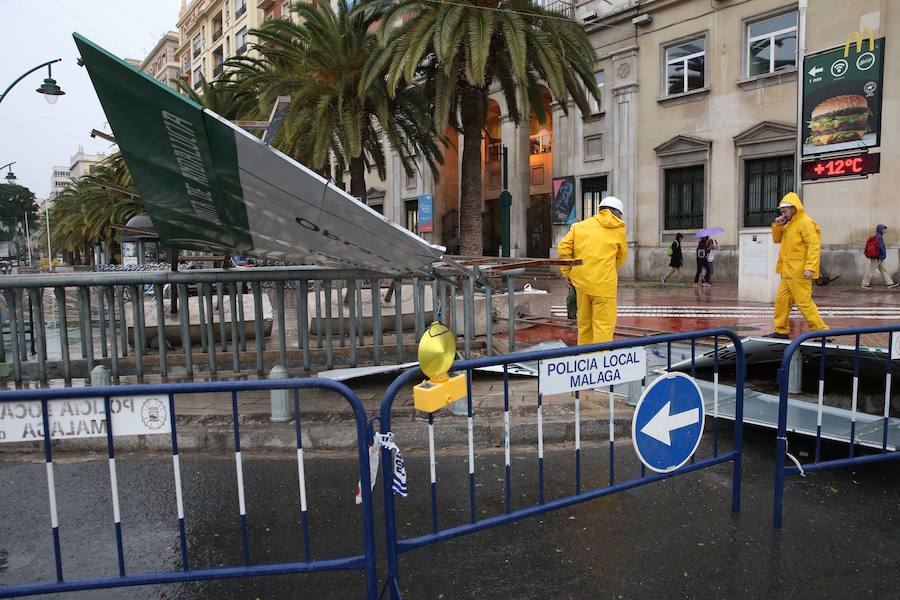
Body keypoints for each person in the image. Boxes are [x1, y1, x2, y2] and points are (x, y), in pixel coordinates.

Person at [558, 196, 628, 345]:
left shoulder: (579, 227)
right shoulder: (618, 228)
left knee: (584, 326)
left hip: (582, 285)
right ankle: (600, 361)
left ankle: (584, 360)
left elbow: (563, 247)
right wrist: (606, 267)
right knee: (603, 327)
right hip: (604, 286)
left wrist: (567, 272)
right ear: (616, 213)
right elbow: (622, 257)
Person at [771, 192, 829, 339]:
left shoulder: (805, 222)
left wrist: (810, 267)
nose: (782, 214)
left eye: (784, 211)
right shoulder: (790, 223)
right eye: (781, 212)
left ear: (793, 208)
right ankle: (781, 331)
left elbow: (814, 246)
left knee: (804, 303)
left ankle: (823, 333)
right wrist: (778, 225)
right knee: (781, 302)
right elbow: (777, 239)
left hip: (799, 272)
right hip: (787, 271)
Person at [861, 224, 898, 289]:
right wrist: (884, 254)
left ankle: (890, 283)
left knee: (883, 270)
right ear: (880, 229)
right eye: (884, 229)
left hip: (878, 257)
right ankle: (864, 284)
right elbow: (881, 247)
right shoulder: (879, 237)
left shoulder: (878, 236)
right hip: (877, 257)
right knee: (871, 270)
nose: (885, 230)